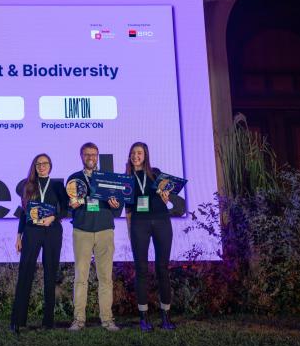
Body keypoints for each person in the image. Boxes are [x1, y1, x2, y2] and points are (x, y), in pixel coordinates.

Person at [10, 153, 68, 333]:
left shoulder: (58, 185)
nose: (42, 166)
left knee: (50, 274)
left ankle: (48, 322)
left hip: (52, 231)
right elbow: (24, 212)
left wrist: (53, 217)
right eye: (38, 164)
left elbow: (66, 209)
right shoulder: (28, 186)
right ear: (34, 167)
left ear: (50, 166)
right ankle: (18, 321)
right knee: (25, 272)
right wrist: (19, 235)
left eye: (45, 163)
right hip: (32, 231)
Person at [67, 142, 122, 332]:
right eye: (87, 154)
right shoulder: (74, 178)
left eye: (93, 154)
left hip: (105, 230)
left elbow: (119, 204)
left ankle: (107, 319)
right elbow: (69, 204)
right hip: (82, 230)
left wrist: (116, 204)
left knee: (105, 278)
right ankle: (78, 320)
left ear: (97, 156)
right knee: (80, 277)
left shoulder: (107, 178)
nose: (90, 157)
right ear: (81, 156)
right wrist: (72, 204)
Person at [125, 141, 176, 331]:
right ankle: (144, 318)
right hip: (139, 224)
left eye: (139, 152)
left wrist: (167, 197)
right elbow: (128, 210)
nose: (135, 156)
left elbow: (167, 196)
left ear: (145, 155)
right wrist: (130, 231)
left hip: (162, 222)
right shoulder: (127, 178)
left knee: (162, 268)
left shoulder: (156, 173)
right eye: (133, 153)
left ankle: (166, 316)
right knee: (141, 269)